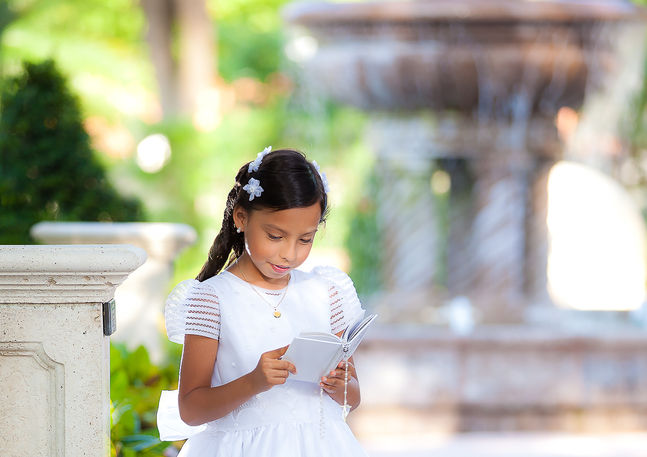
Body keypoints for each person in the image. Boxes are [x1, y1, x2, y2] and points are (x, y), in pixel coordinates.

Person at [157, 147, 369, 456]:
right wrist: (254, 382)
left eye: (305, 239)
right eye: (275, 236)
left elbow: (353, 394)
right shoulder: (211, 299)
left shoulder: (326, 292)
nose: (290, 253)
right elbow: (190, 408)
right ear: (241, 217)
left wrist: (341, 385)